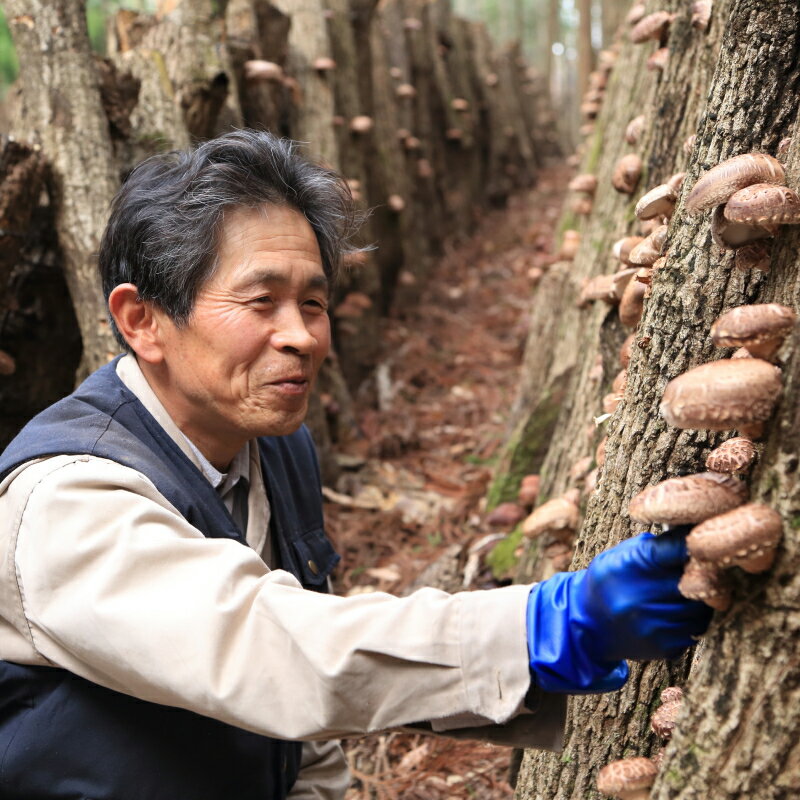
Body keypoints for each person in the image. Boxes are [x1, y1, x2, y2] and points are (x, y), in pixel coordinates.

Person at [0, 130, 711, 800]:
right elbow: (270, 649)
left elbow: (304, 711)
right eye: (261, 300)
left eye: (313, 301)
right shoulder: (66, 502)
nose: (302, 336)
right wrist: (541, 626)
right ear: (142, 321)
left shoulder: (273, 447)